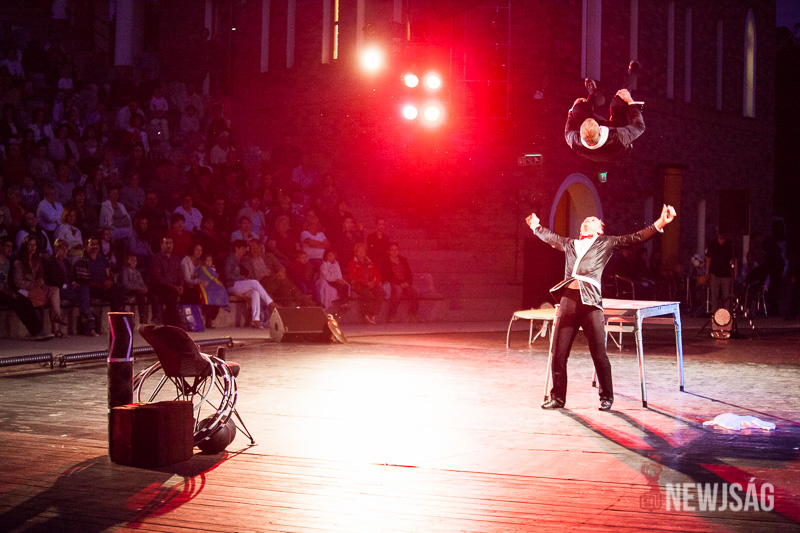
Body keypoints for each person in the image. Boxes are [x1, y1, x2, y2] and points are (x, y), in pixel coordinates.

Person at [526, 204, 676, 411]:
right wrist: (536, 226)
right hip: (569, 299)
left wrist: (661, 222)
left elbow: (636, 238)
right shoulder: (571, 244)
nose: (587, 220)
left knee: (598, 353)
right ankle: (558, 398)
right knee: (558, 353)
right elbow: (552, 238)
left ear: (599, 230)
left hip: (591, 301)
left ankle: (606, 396)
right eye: (585, 220)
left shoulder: (606, 242)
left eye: (593, 220)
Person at [565, 63, 645, 163]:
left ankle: (594, 96)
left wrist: (572, 109)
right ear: (600, 130)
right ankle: (632, 74)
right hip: (618, 148)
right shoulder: (618, 137)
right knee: (618, 103)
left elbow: (567, 132)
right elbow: (640, 127)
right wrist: (630, 101)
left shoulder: (574, 140)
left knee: (577, 110)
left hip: (600, 141)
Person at [14, 235, 66, 337]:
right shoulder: (19, 263)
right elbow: (18, 283)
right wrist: (33, 284)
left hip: (36, 289)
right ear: (25, 246)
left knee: (54, 290)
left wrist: (40, 281)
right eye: (30, 245)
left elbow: (40, 276)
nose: (33, 247)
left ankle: (57, 317)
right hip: (25, 291)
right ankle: (56, 324)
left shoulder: (36, 261)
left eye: (34, 245)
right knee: (50, 297)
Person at [0, 238, 51, 340]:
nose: (10, 249)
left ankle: (39, 331)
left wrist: (10, 292)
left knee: (25, 301)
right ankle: (36, 331)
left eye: (11, 246)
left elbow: (5, 283)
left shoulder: (7, 263)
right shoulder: (15, 262)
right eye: (7, 246)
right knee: (16, 303)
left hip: (4, 291)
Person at [224, 239, 275, 328]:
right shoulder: (230, 259)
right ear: (236, 248)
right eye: (242, 249)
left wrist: (246, 279)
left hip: (240, 285)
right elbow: (227, 275)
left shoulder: (242, 260)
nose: (244, 251)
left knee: (255, 293)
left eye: (245, 249)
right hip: (232, 285)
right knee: (254, 283)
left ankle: (256, 320)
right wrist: (242, 278)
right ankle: (271, 303)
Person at [381, 242, 420, 323]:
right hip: (393, 283)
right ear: (389, 251)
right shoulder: (386, 262)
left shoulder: (403, 260)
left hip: (405, 283)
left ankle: (412, 314)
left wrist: (408, 282)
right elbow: (387, 276)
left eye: (396, 249)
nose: (394, 251)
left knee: (415, 292)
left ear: (398, 251)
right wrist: (399, 283)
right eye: (392, 250)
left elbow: (409, 274)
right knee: (398, 291)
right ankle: (392, 315)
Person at [150, 236, 183, 326]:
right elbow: (158, 278)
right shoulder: (156, 259)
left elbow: (180, 275)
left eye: (171, 243)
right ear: (161, 244)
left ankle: (182, 321)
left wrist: (181, 286)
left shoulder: (176, 259)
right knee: (171, 295)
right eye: (166, 243)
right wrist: (173, 287)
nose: (169, 245)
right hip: (161, 287)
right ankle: (174, 323)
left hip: (175, 288)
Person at [348, 242, 383, 325]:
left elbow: (377, 275)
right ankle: (368, 313)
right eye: (359, 251)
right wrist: (366, 283)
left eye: (363, 251)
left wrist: (374, 282)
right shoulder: (353, 263)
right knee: (366, 293)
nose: (361, 253)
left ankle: (373, 314)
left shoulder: (370, 262)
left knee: (380, 292)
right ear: (355, 253)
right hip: (360, 285)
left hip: (371, 284)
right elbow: (353, 277)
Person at [705, 230, 735, 312]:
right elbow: (708, 258)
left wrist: (735, 273)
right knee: (714, 295)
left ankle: (727, 313)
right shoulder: (712, 244)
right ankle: (714, 313)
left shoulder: (730, 244)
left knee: (726, 295)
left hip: (726, 274)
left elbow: (734, 259)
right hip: (714, 273)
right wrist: (707, 272)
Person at [121, 252, 149, 324]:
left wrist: (144, 288)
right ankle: (142, 316)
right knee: (139, 294)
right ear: (128, 261)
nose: (134, 263)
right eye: (132, 260)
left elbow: (141, 283)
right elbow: (126, 285)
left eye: (135, 261)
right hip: (129, 291)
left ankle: (147, 316)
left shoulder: (137, 272)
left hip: (138, 290)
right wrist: (138, 288)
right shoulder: (125, 272)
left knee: (147, 293)